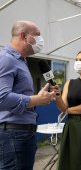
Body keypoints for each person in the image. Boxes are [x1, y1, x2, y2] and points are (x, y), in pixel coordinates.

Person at [0, 20, 56, 170]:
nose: (40, 39)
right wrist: (35, 99)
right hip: (14, 134)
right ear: (24, 36)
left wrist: (37, 99)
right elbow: (2, 99)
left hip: (20, 133)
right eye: (37, 35)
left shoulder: (20, 61)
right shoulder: (6, 59)